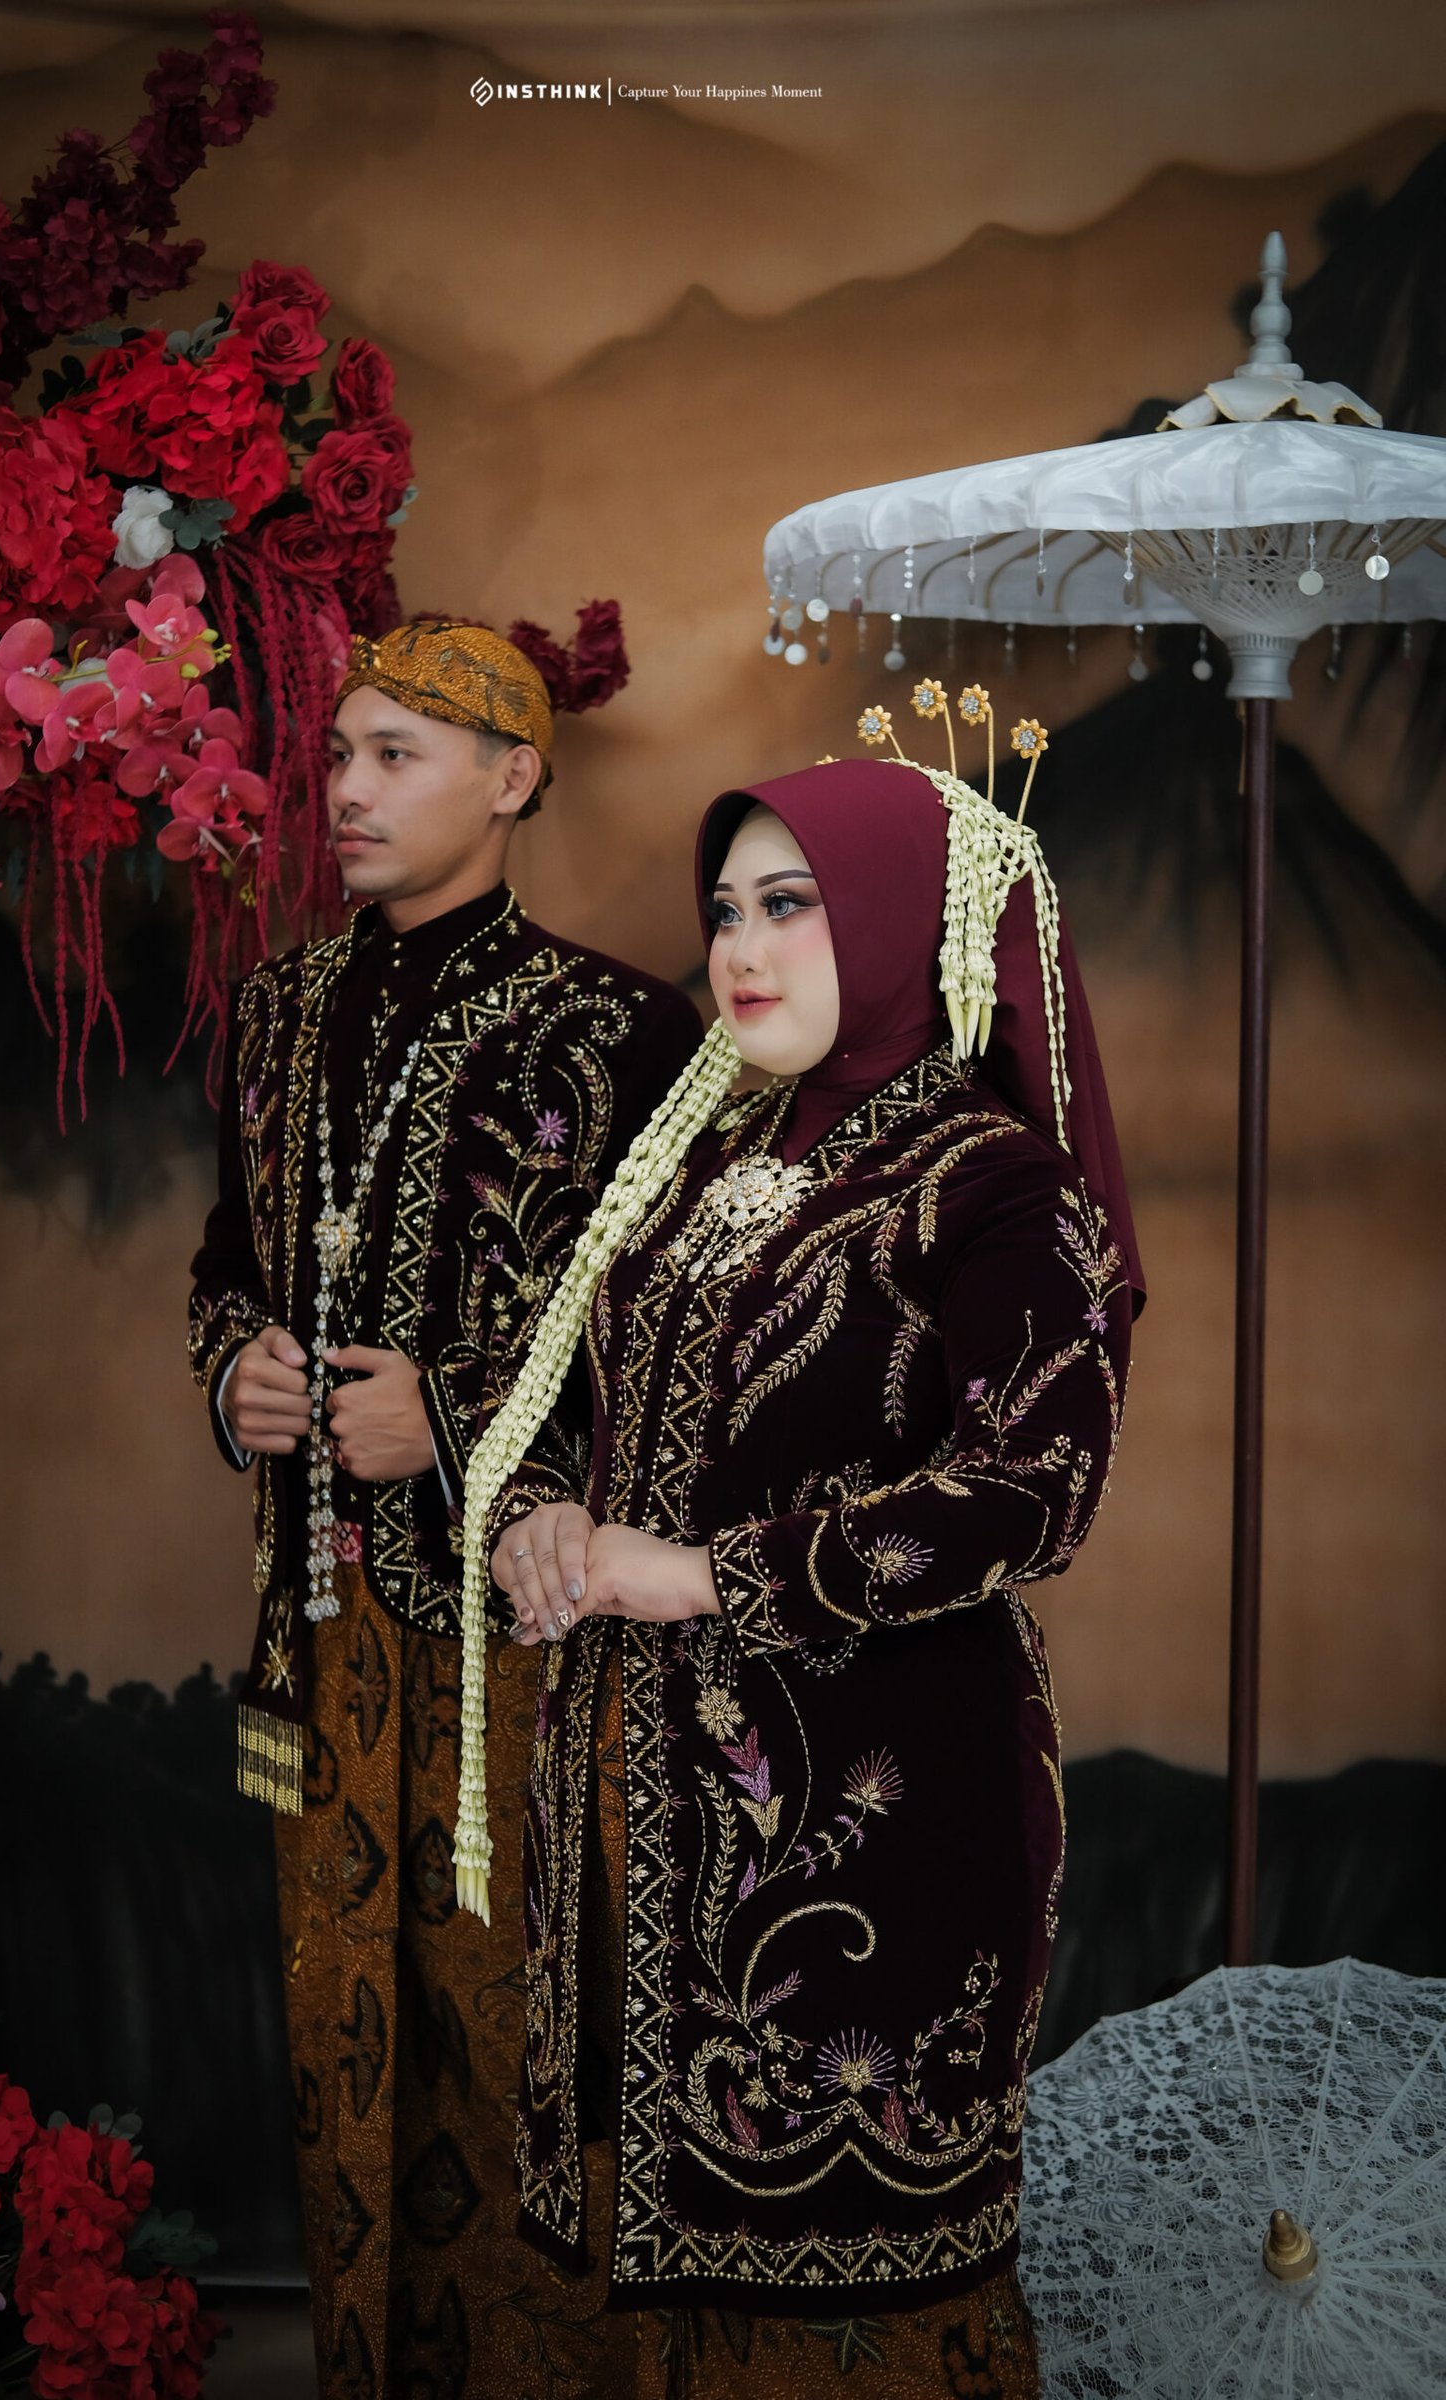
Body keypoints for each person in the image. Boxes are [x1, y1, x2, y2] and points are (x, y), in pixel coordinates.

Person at [470, 727, 1143, 2396]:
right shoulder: (709, 1153)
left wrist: (697, 1576)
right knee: (632, 2294)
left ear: (911, 920)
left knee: (836, 2318)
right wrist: (541, 1511)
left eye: (793, 903)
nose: (741, 947)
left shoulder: (995, 1187)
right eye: (725, 910)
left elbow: (1032, 1493)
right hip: (626, 1812)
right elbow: (567, 1391)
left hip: (871, 1832)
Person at [186, 612, 703, 2393]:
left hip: (521, 1657)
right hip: (317, 1634)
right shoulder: (277, 1013)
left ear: (512, 778)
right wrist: (237, 1376)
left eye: (394, 756)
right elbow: (226, 1267)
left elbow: (680, 1347)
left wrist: (463, 1417)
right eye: (337, 755)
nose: (345, 789)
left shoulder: (626, 1031)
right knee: (344, 2034)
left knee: (519, 2051)